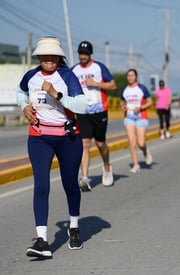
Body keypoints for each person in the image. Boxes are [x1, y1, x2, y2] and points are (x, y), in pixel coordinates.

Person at [16, 37, 88, 258]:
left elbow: (82, 106)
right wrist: (25, 105)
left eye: (52, 56)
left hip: (68, 137)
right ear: (39, 57)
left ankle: (74, 226)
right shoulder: (30, 75)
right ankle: (42, 241)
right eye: (44, 55)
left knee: (70, 184)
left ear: (59, 57)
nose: (48, 59)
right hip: (39, 137)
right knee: (41, 185)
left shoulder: (66, 75)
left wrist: (57, 94)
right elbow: (20, 92)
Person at [72, 41, 117, 191]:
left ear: (90, 54)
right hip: (83, 111)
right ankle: (85, 177)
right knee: (84, 143)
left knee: (100, 144)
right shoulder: (74, 70)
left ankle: (106, 166)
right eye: (81, 53)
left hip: (99, 111)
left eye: (85, 53)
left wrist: (96, 84)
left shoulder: (99, 67)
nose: (83, 56)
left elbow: (113, 85)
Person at [120, 69, 153, 173]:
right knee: (131, 141)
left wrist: (140, 107)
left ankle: (145, 151)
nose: (130, 77)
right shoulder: (124, 89)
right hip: (129, 117)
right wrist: (123, 106)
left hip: (141, 116)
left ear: (136, 77)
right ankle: (135, 164)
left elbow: (150, 102)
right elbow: (122, 102)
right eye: (128, 75)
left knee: (141, 143)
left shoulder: (141, 88)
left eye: (132, 75)